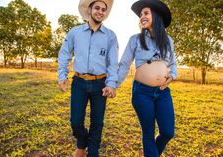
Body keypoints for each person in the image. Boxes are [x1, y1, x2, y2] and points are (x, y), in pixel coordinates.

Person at [58, 0, 118, 156]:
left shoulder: (111, 36)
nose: (100, 11)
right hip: (78, 82)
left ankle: (93, 151)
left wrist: (111, 84)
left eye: (104, 9)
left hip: (100, 84)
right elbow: (64, 53)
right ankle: (82, 143)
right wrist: (62, 75)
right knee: (76, 122)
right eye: (97, 8)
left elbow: (113, 63)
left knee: (97, 122)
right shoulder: (75, 32)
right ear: (90, 9)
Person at [117, 0, 177, 156]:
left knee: (168, 131)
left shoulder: (169, 41)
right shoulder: (135, 39)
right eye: (141, 14)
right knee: (148, 133)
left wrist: (172, 76)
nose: (142, 17)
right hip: (142, 92)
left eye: (146, 13)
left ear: (155, 16)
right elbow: (124, 64)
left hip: (163, 92)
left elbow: (173, 65)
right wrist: (114, 85)